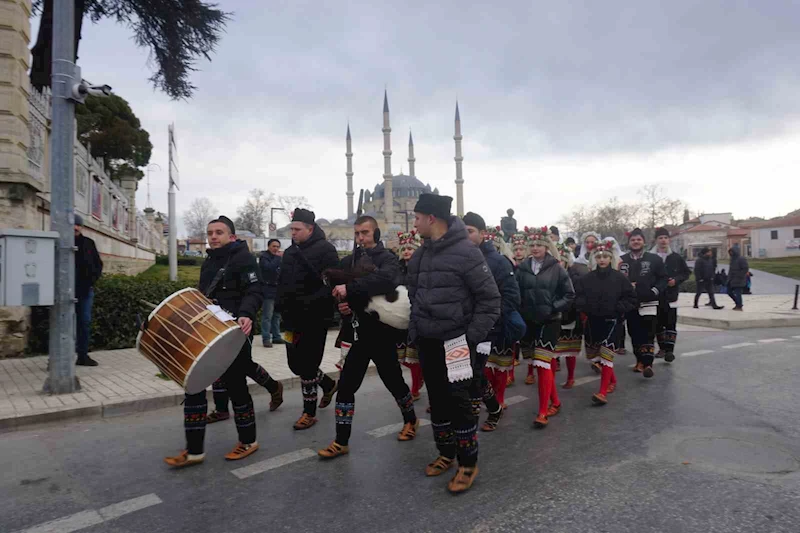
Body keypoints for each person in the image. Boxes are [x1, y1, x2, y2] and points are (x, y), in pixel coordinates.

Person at [407, 194, 500, 494]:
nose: (415, 223)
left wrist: (470, 338)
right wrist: (415, 328)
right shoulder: (421, 255)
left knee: (459, 403)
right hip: (428, 340)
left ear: (432, 218)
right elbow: (414, 295)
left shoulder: (467, 253)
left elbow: (490, 300)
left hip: (457, 342)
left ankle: (467, 463)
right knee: (438, 400)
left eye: (417, 217)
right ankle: (446, 453)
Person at [164, 216, 263, 468]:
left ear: (231, 236)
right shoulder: (209, 261)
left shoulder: (244, 258)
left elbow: (254, 291)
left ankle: (248, 441)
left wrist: (246, 313)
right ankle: (194, 450)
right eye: (210, 232)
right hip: (208, 333)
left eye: (219, 232)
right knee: (194, 385)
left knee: (236, 386)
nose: (213, 236)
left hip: (235, 331)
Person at [318, 216, 419, 459]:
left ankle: (411, 420)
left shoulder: (388, 260)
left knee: (393, 382)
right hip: (358, 334)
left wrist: (350, 290)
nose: (360, 237)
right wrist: (342, 303)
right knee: (346, 387)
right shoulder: (350, 260)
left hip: (382, 333)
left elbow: (385, 281)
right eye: (357, 233)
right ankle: (341, 441)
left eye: (365, 232)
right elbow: (335, 286)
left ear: (376, 233)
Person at [276, 208, 340, 430]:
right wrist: (279, 305)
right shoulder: (291, 252)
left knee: (308, 365)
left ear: (310, 228)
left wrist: (311, 303)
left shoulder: (326, 251)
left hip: (315, 318)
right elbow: (282, 281)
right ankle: (328, 383)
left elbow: (332, 284)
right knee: (295, 364)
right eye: (291, 229)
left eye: (297, 229)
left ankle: (308, 412)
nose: (292, 233)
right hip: (290, 319)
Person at [462, 214, 524, 433]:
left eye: (469, 231)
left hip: (487, 329)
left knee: (475, 373)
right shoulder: (459, 258)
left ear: (482, 233)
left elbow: (512, 297)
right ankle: (488, 408)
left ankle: (489, 411)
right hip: (463, 327)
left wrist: (490, 318)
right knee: (466, 374)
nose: (465, 235)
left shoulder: (498, 262)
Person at [516, 226, 575, 429]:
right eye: (531, 245)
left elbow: (569, 294)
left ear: (546, 246)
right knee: (543, 365)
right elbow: (516, 294)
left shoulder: (556, 268)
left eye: (539, 245)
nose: (534, 248)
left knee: (542, 365)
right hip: (530, 322)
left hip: (550, 322)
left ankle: (542, 412)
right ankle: (556, 402)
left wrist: (553, 308)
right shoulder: (522, 268)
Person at [574, 239, 637, 406]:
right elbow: (578, 297)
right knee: (598, 357)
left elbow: (631, 298)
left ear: (611, 258)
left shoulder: (619, 278)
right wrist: (584, 307)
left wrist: (619, 308)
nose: (602, 259)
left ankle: (602, 392)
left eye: (605, 256)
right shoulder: (586, 279)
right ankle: (613, 381)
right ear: (594, 258)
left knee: (607, 355)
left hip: (612, 321)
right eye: (599, 256)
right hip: (593, 322)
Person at [619, 228, 668, 378]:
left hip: (649, 302)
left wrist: (654, 291)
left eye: (638, 239)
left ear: (644, 242)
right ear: (629, 242)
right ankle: (639, 361)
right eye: (633, 240)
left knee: (648, 333)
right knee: (634, 333)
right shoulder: (622, 260)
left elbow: (663, 278)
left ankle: (648, 364)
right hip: (630, 303)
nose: (636, 242)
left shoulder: (654, 259)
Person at [651, 228, 692, 362]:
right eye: (660, 238)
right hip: (656, 296)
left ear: (669, 240)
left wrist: (676, 280)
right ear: (656, 240)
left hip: (671, 296)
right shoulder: (650, 257)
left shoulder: (676, 257)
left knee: (670, 323)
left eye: (665, 238)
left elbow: (686, 273)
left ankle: (669, 351)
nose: (663, 240)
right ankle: (662, 348)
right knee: (657, 323)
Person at [396, 231, 424, 400]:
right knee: (403, 357)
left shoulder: (422, 266)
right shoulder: (397, 267)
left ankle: (415, 389)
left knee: (414, 357)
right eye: (404, 248)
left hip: (417, 316)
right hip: (400, 317)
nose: (406, 251)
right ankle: (418, 379)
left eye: (410, 248)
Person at [74, 214, 103, 367]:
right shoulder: (62, 242)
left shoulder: (88, 243)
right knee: (62, 323)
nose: (75, 227)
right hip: (65, 291)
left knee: (84, 322)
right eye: (73, 224)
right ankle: (56, 358)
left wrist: (91, 281)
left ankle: (82, 356)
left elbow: (98, 265)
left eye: (78, 225)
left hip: (85, 291)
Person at [555, 244, 583, 389]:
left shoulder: (574, 276)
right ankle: (550, 378)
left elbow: (577, 297)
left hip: (570, 317)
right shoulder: (551, 274)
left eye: (561, 260)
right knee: (553, 350)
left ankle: (571, 377)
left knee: (569, 349)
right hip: (554, 317)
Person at [259, 239, 285, 347]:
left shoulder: (278, 259)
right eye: (274, 246)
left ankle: (276, 337)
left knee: (276, 316)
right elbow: (269, 268)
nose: (276, 249)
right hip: (268, 290)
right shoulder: (264, 257)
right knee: (267, 316)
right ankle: (266, 338)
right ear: (268, 246)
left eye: (278, 246)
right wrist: (278, 258)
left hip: (277, 290)